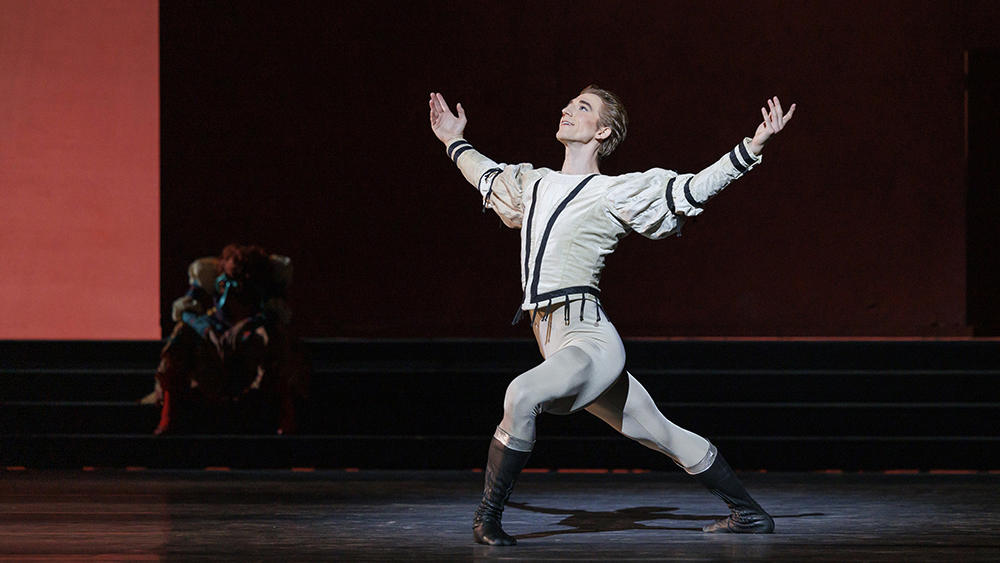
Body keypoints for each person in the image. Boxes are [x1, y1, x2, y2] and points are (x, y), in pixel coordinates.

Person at [429, 87, 795, 546]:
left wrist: (751, 148)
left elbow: (690, 188)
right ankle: (750, 514)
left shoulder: (612, 191)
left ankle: (488, 517)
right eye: (567, 103)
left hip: (589, 341)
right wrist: (452, 141)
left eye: (582, 107)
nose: (567, 109)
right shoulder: (533, 183)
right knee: (662, 432)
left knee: (521, 395)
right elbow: (486, 175)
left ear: (601, 131)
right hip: (554, 337)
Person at [149, 244, 310, 435]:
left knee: (274, 336)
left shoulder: (266, 288)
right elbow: (186, 311)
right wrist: (207, 329)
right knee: (182, 333)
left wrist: (249, 325)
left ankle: (284, 414)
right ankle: (169, 413)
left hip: (248, 350)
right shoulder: (210, 280)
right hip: (213, 346)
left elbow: (276, 313)